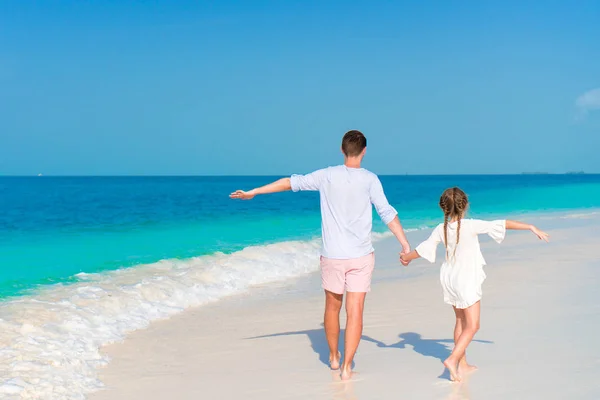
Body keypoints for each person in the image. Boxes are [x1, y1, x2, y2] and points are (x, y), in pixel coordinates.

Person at [230, 130, 411, 380]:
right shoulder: (370, 179)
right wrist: (404, 244)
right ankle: (348, 367)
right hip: (360, 256)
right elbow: (386, 212)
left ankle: (334, 357)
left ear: (341, 150)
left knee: (332, 307)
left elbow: (288, 183)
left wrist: (254, 192)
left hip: (333, 256)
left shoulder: (326, 175)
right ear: (364, 151)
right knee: (355, 310)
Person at [400, 187, 549, 382]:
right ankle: (453, 360)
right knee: (473, 325)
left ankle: (462, 364)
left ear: (442, 207)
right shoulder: (470, 225)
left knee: (460, 321)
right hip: (466, 279)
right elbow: (502, 224)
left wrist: (406, 258)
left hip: (450, 278)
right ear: (465, 205)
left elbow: (422, 249)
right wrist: (531, 226)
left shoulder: (441, 228)